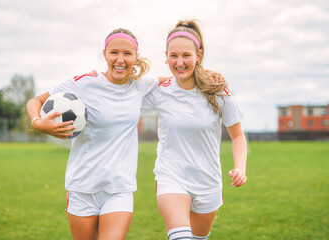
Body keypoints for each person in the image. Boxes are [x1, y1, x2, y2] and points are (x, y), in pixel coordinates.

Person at [26, 28, 160, 240]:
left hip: (119, 188)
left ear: (136, 57)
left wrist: (204, 75)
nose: (120, 59)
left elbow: (178, 79)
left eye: (127, 53)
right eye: (114, 52)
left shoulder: (141, 86)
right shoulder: (84, 83)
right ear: (104, 54)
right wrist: (38, 123)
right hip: (82, 186)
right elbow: (35, 102)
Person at [140, 20, 248, 240]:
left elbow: (237, 136)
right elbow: (123, 95)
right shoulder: (160, 92)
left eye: (186, 55)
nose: (179, 62)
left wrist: (240, 168)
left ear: (198, 54)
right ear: (166, 55)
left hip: (208, 181)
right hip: (171, 177)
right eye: (173, 56)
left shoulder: (218, 93)